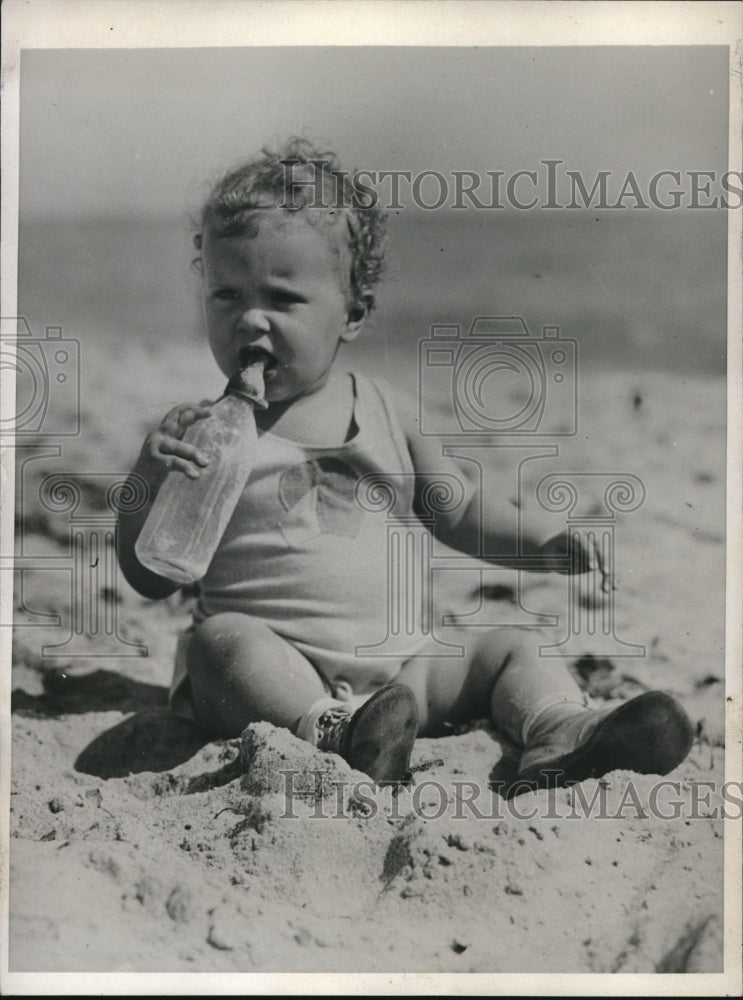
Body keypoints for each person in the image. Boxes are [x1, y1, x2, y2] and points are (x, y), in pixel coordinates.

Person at [117, 138, 693, 794]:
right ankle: (329, 729)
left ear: (352, 314)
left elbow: (461, 512)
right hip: (275, 672)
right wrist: (144, 484)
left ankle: (560, 728)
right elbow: (150, 577)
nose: (250, 318)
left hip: (401, 671)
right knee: (219, 643)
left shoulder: (388, 414)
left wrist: (545, 544)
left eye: (281, 298)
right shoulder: (203, 435)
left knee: (506, 639)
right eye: (225, 295)